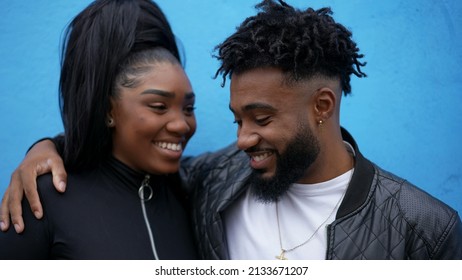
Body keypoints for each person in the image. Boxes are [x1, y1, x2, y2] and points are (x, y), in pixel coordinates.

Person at [2, 0, 462, 260]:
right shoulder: (211, 180)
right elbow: (118, 159)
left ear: (323, 106)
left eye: (261, 119)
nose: (242, 140)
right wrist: (50, 146)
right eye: (237, 119)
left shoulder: (424, 230)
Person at [0, 0, 198, 259]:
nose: (181, 124)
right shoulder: (42, 198)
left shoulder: (193, 193)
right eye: (159, 106)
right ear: (108, 110)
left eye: (188, 108)